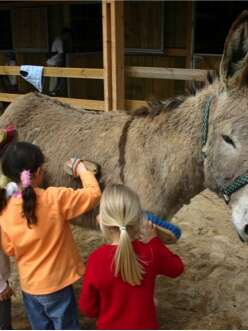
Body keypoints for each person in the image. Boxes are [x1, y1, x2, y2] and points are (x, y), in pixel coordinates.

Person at [0, 142, 101, 330]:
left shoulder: (4, 209)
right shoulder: (54, 198)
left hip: (29, 288)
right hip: (58, 286)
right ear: (38, 172)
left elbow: (10, 249)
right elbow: (93, 194)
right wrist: (81, 169)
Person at [79, 184, 184, 330]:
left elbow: (87, 308)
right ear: (137, 220)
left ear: (101, 221)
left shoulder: (95, 260)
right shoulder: (151, 251)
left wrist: (107, 310)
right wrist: (155, 241)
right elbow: (177, 268)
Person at [46, 28, 71, 96]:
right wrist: (62, 62)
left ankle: (53, 91)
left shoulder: (58, 40)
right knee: (54, 78)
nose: (67, 37)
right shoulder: (59, 41)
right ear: (65, 34)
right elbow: (61, 53)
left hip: (53, 62)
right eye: (67, 35)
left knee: (55, 78)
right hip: (53, 62)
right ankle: (51, 92)